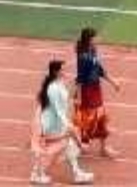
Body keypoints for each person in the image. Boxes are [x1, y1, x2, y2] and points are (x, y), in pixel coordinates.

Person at [30, 59, 93, 185]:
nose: (65, 71)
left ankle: (76, 173)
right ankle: (37, 174)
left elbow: (66, 99)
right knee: (55, 148)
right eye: (63, 69)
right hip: (51, 125)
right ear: (56, 71)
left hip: (57, 123)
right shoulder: (53, 88)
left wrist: (76, 88)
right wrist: (69, 125)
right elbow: (58, 110)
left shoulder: (60, 84)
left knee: (68, 145)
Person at [73, 28, 120, 159]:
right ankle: (82, 142)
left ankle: (102, 148)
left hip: (95, 88)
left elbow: (99, 69)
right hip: (87, 91)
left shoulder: (93, 50)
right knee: (88, 117)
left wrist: (113, 81)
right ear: (90, 39)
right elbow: (80, 77)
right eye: (96, 37)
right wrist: (78, 96)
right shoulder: (83, 57)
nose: (98, 39)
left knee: (100, 116)